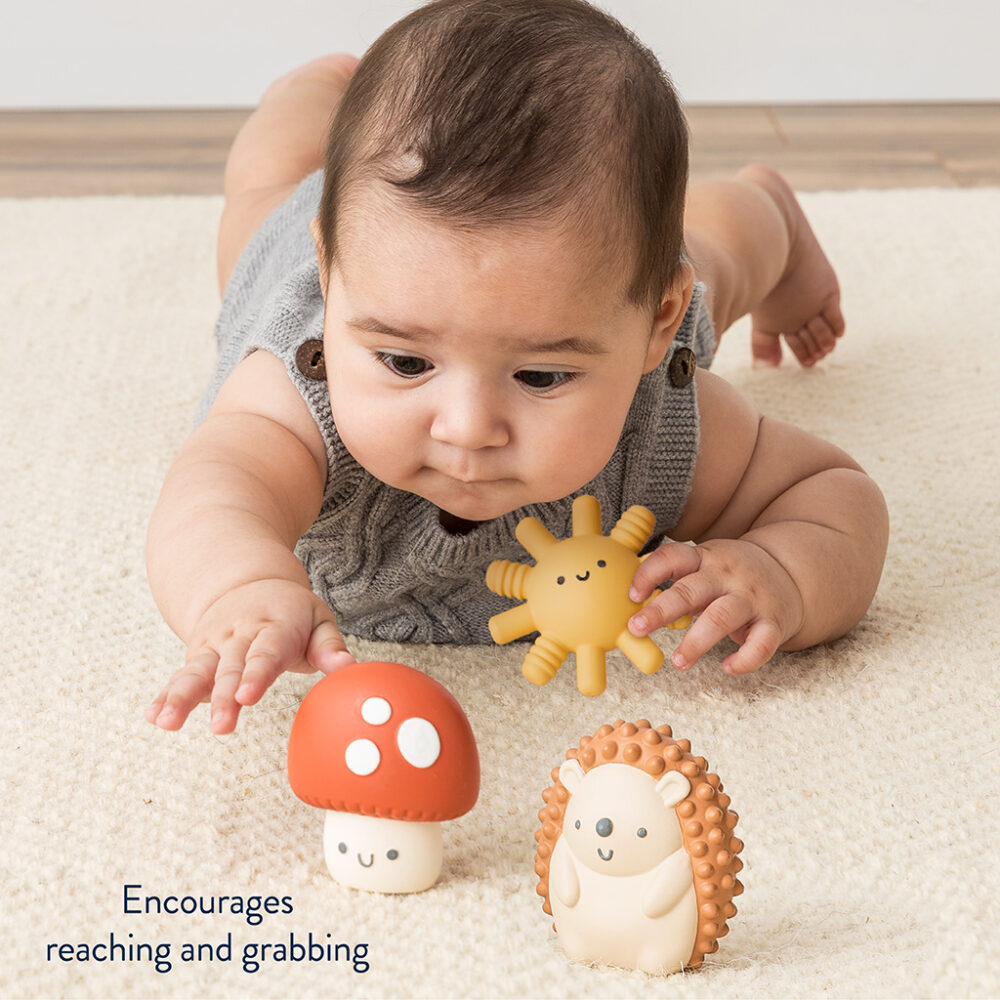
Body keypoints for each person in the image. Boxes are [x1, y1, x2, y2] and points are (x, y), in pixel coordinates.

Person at [146, 0, 888, 734]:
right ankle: (312, 93)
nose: (468, 429)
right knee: (264, 187)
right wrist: (240, 587)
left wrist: (779, 572)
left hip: (600, 289)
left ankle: (769, 207)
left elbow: (833, 494)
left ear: (655, 326)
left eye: (539, 376)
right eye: (405, 362)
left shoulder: (661, 425)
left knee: (718, 250)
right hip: (334, 247)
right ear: (333, 279)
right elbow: (213, 490)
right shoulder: (295, 394)